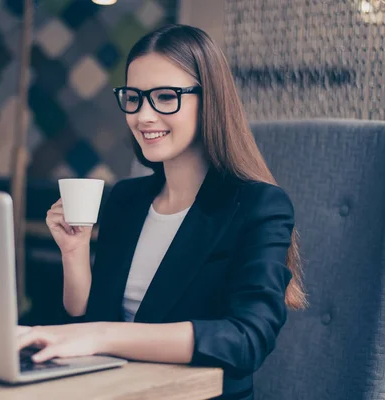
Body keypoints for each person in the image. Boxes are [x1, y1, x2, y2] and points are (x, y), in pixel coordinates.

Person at [18, 24, 307, 400]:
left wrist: (101, 335)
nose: (143, 116)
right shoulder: (127, 199)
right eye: (134, 98)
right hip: (113, 389)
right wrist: (74, 253)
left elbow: (247, 340)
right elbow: (89, 317)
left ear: (210, 101)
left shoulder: (258, 205)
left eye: (166, 97)